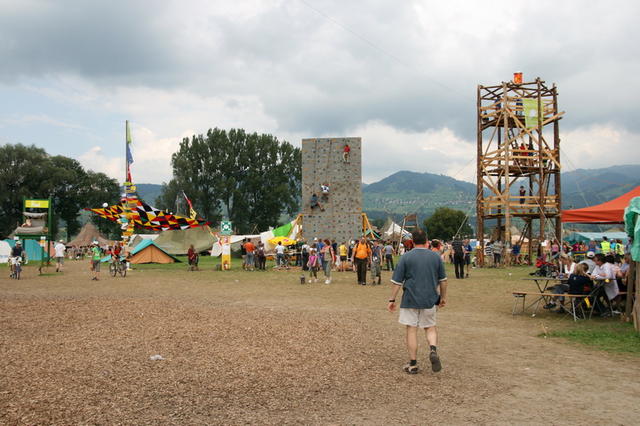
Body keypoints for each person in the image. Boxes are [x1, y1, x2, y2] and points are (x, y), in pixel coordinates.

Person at [387, 229, 447, 374]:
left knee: (411, 329)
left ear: (412, 241)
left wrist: (392, 299)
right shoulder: (436, 257)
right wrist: (443, 298)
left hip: (410, 299)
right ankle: (433, 349)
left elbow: (397, 282)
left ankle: (413, 364)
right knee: (430, 327)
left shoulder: (406, 257)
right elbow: (443, 281)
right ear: (427, 240)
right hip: (430, 298)